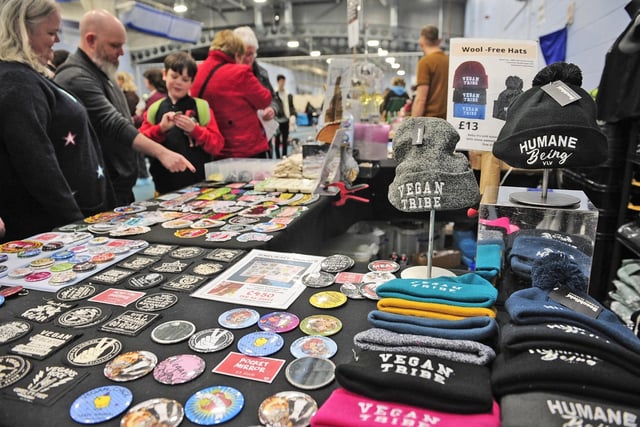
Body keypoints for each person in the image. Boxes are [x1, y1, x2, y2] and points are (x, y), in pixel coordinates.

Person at [0, 0, 115, 242]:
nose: (57, 40)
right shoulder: (16, 82)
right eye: (51, 33)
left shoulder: (28, 77)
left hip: (70, 220)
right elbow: (37, 163)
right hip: (52, 228)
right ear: (23, 30)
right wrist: (75, 225)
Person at [54, 9, 194, 206]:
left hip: (117, 184)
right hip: (101, 188)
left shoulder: (100, 71)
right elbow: (113, 123)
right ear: (91, 40)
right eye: (115, 46)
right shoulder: (77, 77)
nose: (121, 53)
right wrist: (161, 152)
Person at [139, 51, 224, 194]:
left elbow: (217, 145)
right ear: (164, 74)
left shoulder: (202, 107)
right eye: (174, 76)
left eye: (185, 79)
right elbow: (142, 142)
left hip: (200, 187)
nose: (178, 82)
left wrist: (195, 130)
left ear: (192, 82)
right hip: (163, 187)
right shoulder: (154, 109)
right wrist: (161, 129)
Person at [191, 29, 272, 159]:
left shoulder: (197, 70)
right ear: (237, 53)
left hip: (212, 146)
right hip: (244, 146)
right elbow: (264, 99)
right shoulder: (240, 73)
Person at [411, 25, 449, 119]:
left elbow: (421, 99)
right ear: (439, 41)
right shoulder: (449, 60)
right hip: (447, 120)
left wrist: (412, 125)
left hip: (430, 121)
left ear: (421, 41)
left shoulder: (425, 62)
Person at [274, 74, 296, 158]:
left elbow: (291, 106)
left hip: (286, 119)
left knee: (285, 139)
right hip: (277, 120)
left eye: (284, 81)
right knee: (277, 139)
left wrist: (293, 115)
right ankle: (277, 156)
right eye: (281, 81)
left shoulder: (288, 94)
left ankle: (284, 155)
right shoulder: (274, 93)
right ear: (278, 81)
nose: (283, 83)